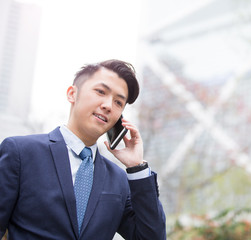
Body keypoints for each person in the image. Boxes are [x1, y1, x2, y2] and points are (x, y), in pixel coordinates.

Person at [0, 59, 166, 240]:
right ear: (72, 94)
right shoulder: (21, 153)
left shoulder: (118, 180)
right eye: (101, 92)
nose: (108, 106)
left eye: (118, 102)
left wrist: (137, 168)